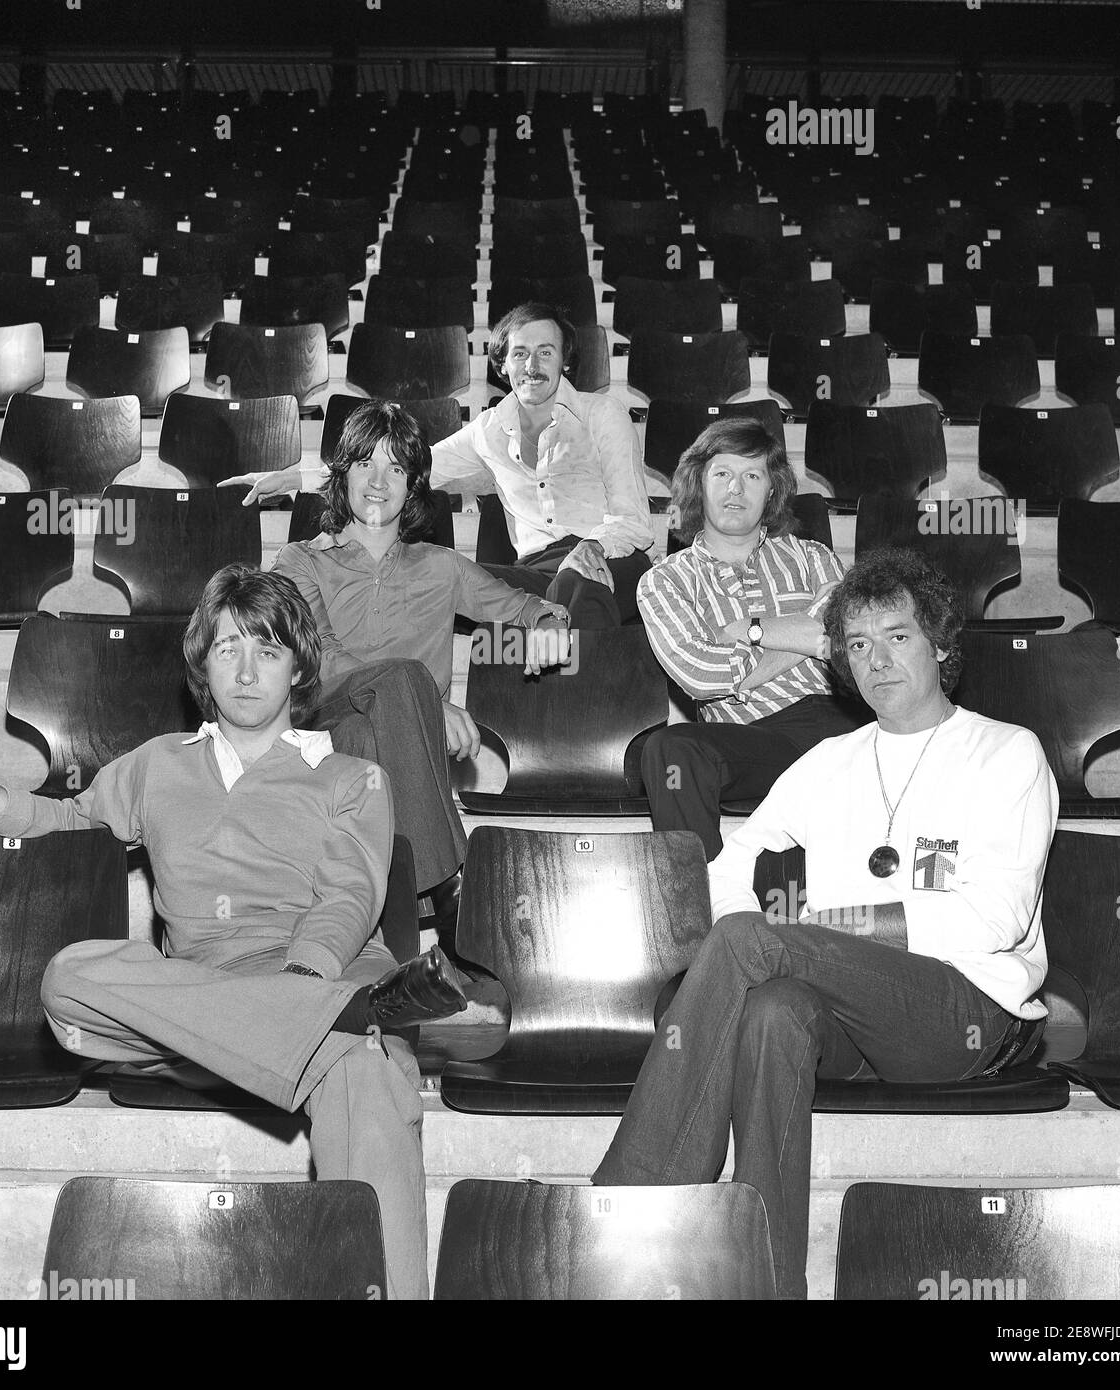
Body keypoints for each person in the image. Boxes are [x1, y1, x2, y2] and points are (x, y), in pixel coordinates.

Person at [0, 564, 470, 1301]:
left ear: (300, 665)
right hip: (205, 1009)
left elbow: (349, 894)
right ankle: (326, 1028)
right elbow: (74, 821)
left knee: (367, 1073)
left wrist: (301, 985)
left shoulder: (351, 778)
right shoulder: (156, 765)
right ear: (202, 664)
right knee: (69, 979)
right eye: (229, 648)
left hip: (325, 979)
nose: (246, 671)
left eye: (267, 651)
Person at [592, 548, 1059, 1299]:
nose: (876, 660)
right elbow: (727, 870)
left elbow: (995, 918)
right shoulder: (829, 761)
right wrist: (793, 934)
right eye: (858, 645)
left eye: (897, 637)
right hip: (850, 1019)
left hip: (966, 1011)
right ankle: (763, 1280)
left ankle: (632, 1203)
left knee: (755, 942)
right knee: (774, 1011)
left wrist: (838, 927)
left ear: (940, 644)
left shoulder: (1007, 752)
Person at [273, 399, 573, 931]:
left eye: (396, 467)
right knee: (401, 685)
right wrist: (430, 699)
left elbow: (531, 608)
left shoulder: (441, 567)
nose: (378, 481)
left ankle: (396, 942)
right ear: (343, 474)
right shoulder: (301, 560)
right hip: (321, 728)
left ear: (413, 485)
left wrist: (550, 625)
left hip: (393, 751)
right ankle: (452, 889)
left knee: (371, 749)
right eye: (366, 462)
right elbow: (317, 653)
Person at [224, 302, 654, 628]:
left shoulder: (604, 413)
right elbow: (400, 468)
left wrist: (593, 546)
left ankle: (575, 711)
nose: (532, 366)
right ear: (503, 364)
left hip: (610, 562)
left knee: (574, 585)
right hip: (540, 571)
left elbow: (633, 520)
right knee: (439, 575)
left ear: (565, 360)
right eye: (520, 354)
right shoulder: (487, 430)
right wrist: (289, 477)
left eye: (546, 352)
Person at [637, 417, 863, 860]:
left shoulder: (813, 557)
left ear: (772, 491)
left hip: (835, 725)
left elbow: (843, 638)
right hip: (750, 741)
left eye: (752, 475)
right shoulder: (664, 581)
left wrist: (749, 631)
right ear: (699, 487)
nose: (735, 489)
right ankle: (707, 902)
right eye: (722, 474)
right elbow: (701, 675)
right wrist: (804, 630)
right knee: (670, 752)